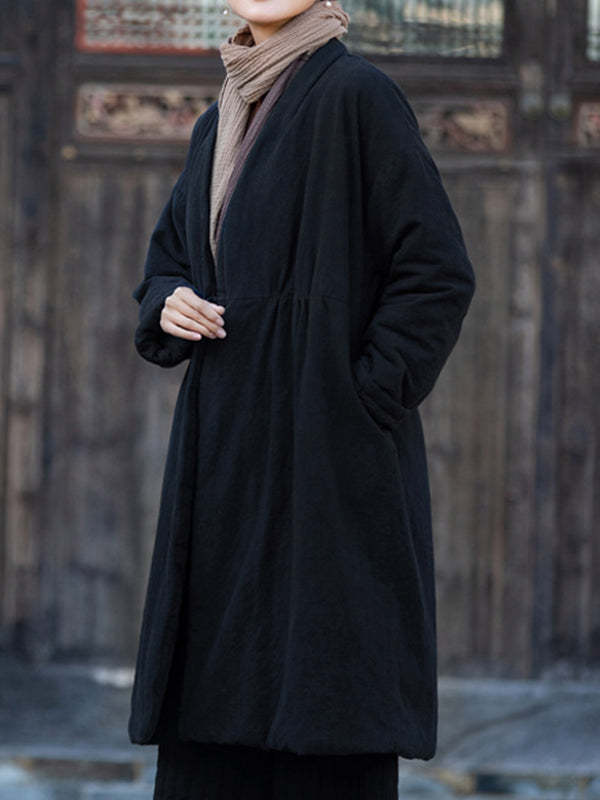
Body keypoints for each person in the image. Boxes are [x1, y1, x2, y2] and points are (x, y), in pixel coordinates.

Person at [128, 0, 476, 796]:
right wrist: (168, 300)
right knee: (212, 723)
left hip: (329, 471)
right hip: (225, 470)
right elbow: (167, 262)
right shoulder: (219, 120)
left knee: (326, 718)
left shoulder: (358, 95)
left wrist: (359, 405)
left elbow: (436, 272)